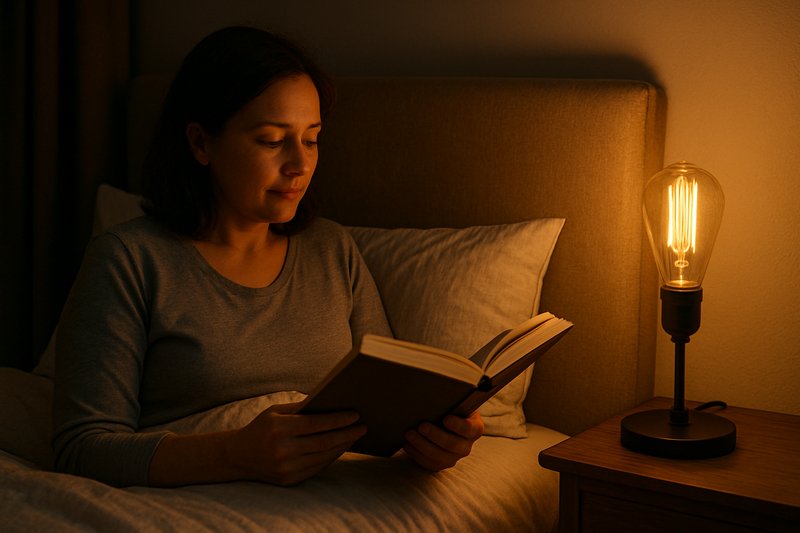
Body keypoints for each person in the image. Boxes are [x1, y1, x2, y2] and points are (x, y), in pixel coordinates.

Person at [53, 26, 483, 488]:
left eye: (312, 139)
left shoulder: (332, 250)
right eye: (272, 140)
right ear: (201, 143)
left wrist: (433, 442)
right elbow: (82, 447)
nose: (299, 164)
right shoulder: (130, 261)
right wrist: (236, 454)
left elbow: (388, 404)